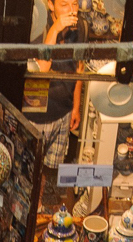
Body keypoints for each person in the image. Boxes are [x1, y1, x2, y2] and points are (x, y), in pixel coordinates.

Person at [28, 0, 83, 172]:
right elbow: (41, 69)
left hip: (63, 113)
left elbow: (79, 68)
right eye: (64, 5)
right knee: (29, 171)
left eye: (74, 4)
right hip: (36, 114)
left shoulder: (81, 28)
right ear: (51, 5)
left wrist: (75, 107)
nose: (71, 10)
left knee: (50, 172)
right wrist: (56, 28)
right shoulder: (39, 26)